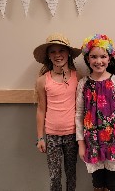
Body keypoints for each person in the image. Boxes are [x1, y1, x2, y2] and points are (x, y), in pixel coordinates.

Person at [75, 34, 115, 191]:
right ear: (87, 59)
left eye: (103, 56)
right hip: (92, 144)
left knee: (112, 183)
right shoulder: (83, 84)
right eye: (93, 57)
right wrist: (81, 143)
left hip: (113, 142)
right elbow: (79, 114)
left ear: (109, 58)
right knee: (97, 183)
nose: (98, 61)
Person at [33, 33, 81, 191]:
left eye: (61, 50)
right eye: (52, 51)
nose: (57, 55)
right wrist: (41, 137)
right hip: (52, 135)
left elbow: (81, 107)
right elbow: (41, 109)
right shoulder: (42, 80)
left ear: (68, 53)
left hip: (72, 134)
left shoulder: (78, 77)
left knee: (71, 174)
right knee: (54, 176)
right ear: (48, 55)